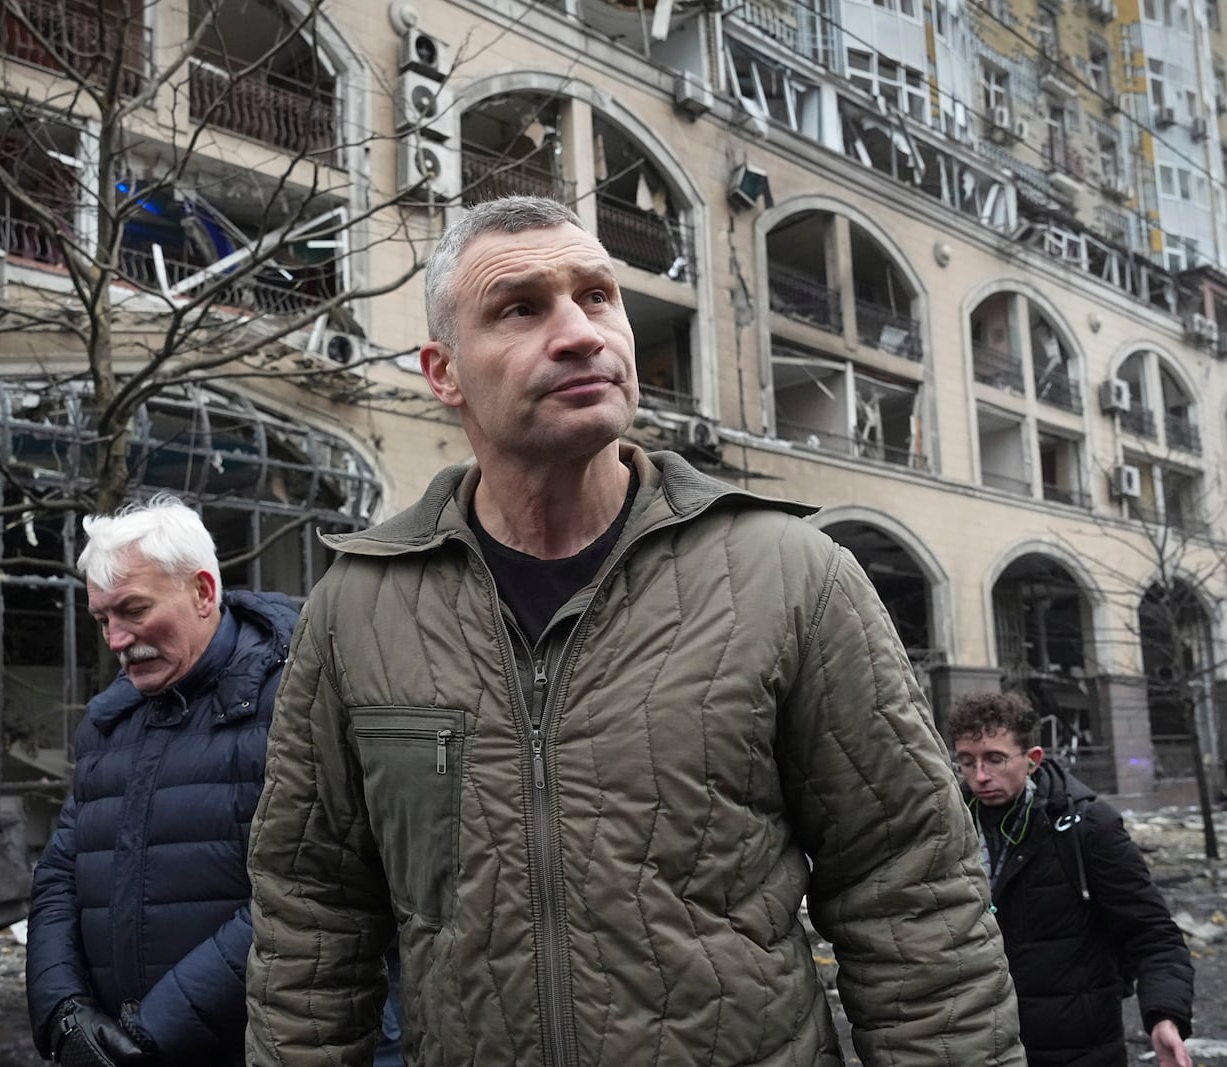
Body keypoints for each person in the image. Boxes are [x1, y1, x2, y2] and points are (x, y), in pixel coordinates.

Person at [244, 196, 1024, 1065]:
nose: (581, 333)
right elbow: (312, 918)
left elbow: (912, 894)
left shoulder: (790, 575)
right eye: (520, 308)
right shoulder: (356, 609)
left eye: (597, 296)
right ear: (443, 372)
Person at [27, 495, 300, 1066]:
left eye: (132, 610)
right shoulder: (110, 720)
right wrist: (63, 1012)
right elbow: (59, 874)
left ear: (203, 592)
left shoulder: (297, 700)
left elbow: (299, 893)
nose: (116, 640)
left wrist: (151, 1034)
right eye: (102, 619)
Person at [949, 690, 1194, 1067]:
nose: (980, 776)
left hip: (1081, 1051)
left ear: (1032, 760)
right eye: (967, 762)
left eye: (995, 760)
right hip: (979, 1047)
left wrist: (1165, 1016)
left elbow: (1153, 934)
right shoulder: (949, 829)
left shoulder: (1086, 826)